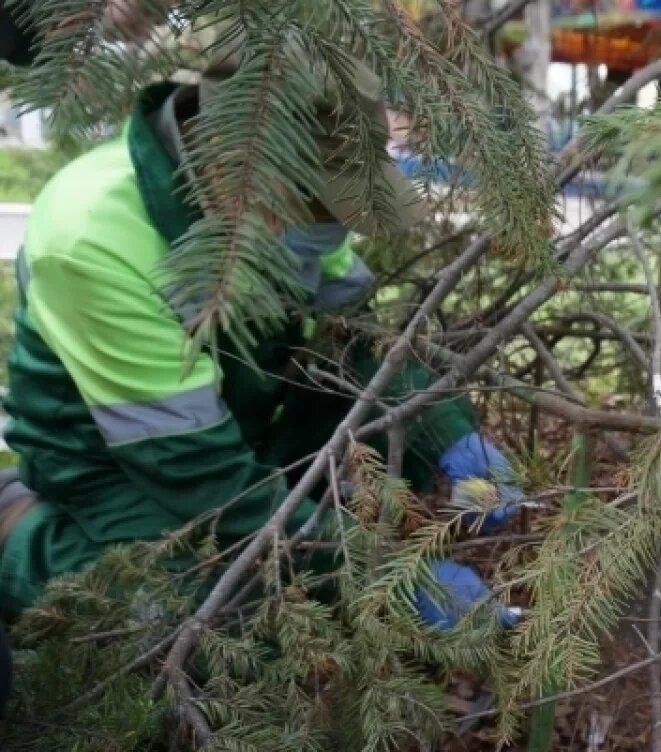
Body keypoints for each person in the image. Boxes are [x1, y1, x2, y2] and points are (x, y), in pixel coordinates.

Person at [0, 40, 523, 625]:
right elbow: (196, 471)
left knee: (333, 489)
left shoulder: (284, 210)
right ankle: (22, 538)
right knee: (212, 615)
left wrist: (448, 437)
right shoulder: (94, 240)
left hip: (241, 424)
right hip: (117, 466)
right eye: (319, 207)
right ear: (233, 163)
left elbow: (356, 341)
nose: (331, 231)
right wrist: (378, 578)